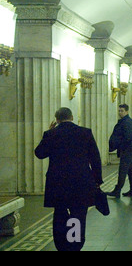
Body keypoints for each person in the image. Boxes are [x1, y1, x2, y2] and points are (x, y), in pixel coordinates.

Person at [35, 107, 103, 251]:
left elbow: (40, 153)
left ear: (57, 119)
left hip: (57, 183)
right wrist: (97, 181)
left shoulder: (51, 134)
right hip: (81, 181)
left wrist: (47, 134)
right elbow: (95, 158)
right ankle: (75, 245)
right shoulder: (85, 132)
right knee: (78, 213)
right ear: (72, 117)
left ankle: (61, 246)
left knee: (60, 213)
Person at [107, 104, 132, 198]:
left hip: (127, 149)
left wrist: (119, 144)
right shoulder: (126, 121)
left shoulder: (126, 122)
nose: (120, 112)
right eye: (119, 111)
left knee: (123, 170)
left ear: (127, 111)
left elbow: (127, 137)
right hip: (129, 148)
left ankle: (117, 191)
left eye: (122, 111)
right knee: (130, 170)